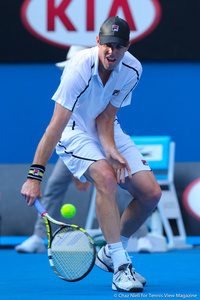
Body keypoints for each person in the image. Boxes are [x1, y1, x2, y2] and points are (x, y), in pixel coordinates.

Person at [21, 16, 161, 292]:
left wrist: (110, 149)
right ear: (98, 42)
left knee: (150, 194)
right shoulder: (78, 69)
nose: (112, 52)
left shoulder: (133, 69)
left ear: (127, 47)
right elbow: (55, 127)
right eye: (108, 45)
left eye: (119, 47)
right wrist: (34, 176)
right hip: (72, 130)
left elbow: (107, 118)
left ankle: (110, 251)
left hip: (105, 128)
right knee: (106, 179)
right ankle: (121, 266)